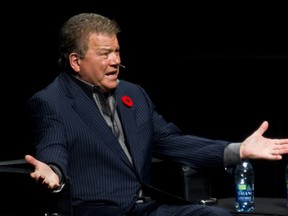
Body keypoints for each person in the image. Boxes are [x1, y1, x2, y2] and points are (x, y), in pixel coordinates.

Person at [24, 12, 288, 216]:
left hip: (144, 207)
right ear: (75, 61)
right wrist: (54, 171)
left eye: (117, 51)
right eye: (105, 54)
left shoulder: (133, 94)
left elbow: (172, 142)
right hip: (100, 210)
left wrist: (237, 150)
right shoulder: (51, 101)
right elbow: (52, 145)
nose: (115, 61)